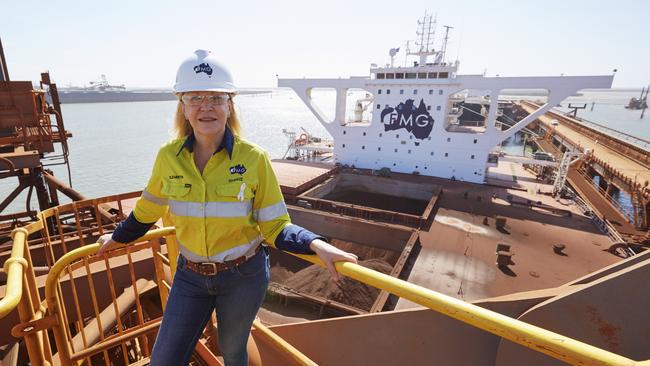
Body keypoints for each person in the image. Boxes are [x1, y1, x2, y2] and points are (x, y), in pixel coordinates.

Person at [96, 49, 358, 366]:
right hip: (190, 276)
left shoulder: (254, 158)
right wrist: (118, 238)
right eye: (195, 97)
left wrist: (317, 245)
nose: (206, 106)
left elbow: (275, 226)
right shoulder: (168, 157)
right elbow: (147, 211)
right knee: (163, 360)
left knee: (233, 351)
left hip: (242, 276)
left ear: (229, 105)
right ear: (183, 106)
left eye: (216, 98)